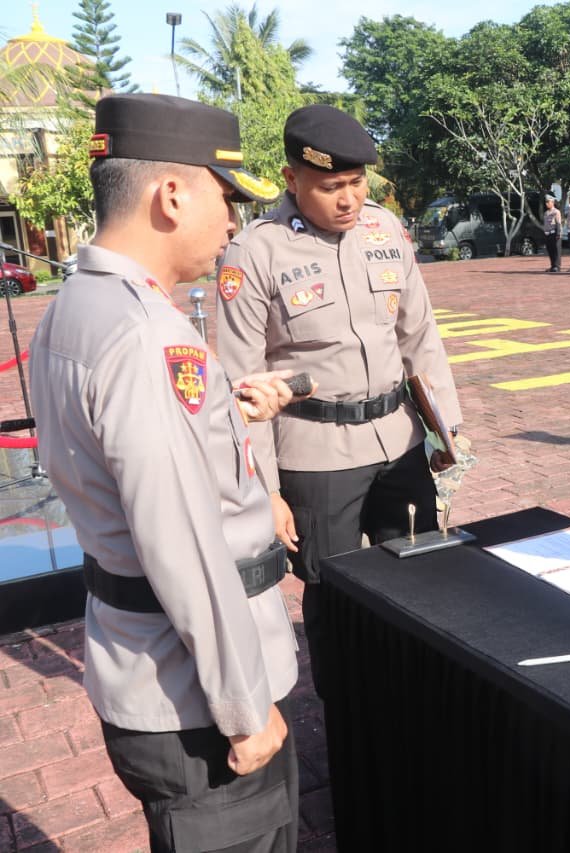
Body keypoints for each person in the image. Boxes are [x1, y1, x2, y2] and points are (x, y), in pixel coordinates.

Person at [30, 93, 303, 851]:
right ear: (172, 194)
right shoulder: (147, 335)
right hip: (200, 697)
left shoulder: (77, 307)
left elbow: (120, 455)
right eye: (226, 198)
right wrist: (245, 709)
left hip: (145, 660)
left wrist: (223, 412)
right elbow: (180, 541)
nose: (233, 223)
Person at [216, 104, 463, 699]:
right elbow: (243, 384)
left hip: (399, 438)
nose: (349, 199)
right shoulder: (256, 252)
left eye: (357, 182)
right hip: (315, 454)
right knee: (330, 591)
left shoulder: (384, 230)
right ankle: (347, 706)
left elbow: (419, 337)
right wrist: (267, 491)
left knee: (421, 571)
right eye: (331, 187)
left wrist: (446, 432)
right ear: (292, 178)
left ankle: (418, 694)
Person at [543, 194, 563, 272]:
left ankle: (557, 266)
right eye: (546, 202)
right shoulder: (546, 213)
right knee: (550, 250)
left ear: (553, 202)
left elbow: (558, 223)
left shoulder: (556, 212)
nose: (547, 204)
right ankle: (553, 265)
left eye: (548, 202)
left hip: (554, 234)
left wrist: (558, 233)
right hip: (548, 234)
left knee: (556, 251)